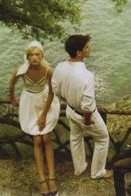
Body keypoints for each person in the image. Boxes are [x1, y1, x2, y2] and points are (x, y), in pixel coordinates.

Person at [52, 35, 112, 179]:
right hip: (85, 115)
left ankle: (79, 168)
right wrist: (87, 120)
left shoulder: (60, 67)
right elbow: (87, 106)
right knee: (103, 139)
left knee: (75, 138)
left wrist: (69, 99)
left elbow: (56, 89)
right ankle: (97, 172)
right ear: (79, 53)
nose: (89, 48)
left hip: (70, 110)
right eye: (86, 47)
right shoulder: (87, 76)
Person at [9, 40, 60, 196]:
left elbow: (52, 92)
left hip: (46, 103)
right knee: (37, 140)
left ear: (42, 55)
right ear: (27, 56)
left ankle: (52, 178)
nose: (34, 57)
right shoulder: (22, 70)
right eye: (31, 54)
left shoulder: (48, 70)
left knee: (46, 139)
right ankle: (42, 180)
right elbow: (11, 83)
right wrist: (12, 98)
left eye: (37, 54)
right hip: (29, 104)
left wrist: (44, 115)